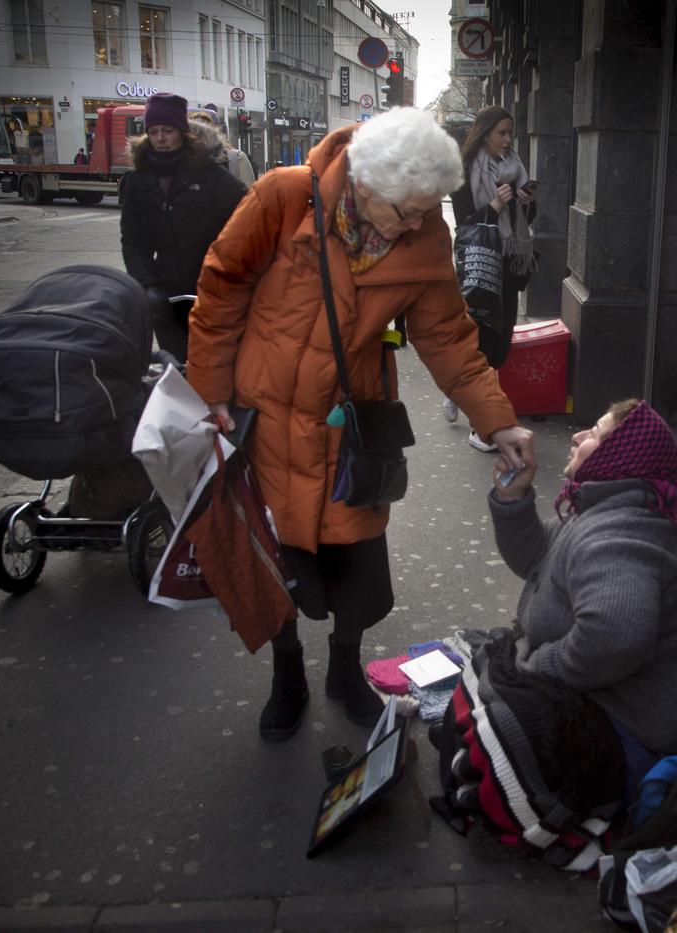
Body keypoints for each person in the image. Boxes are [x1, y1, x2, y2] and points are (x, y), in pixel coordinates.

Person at [185, 106, 536, 739]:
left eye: (427, 210)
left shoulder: (423, 227)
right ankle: (287, 670)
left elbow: (449, 337)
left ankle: (345, 669)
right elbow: (222, 286)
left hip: (354, 425)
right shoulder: (284, 197)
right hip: (267, 416)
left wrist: (498, 420)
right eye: (405, 210)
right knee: (278, 557)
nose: (416, 222)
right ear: (366, 181)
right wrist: (208, 390)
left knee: (357, 567)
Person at [430, 399, 677, 859]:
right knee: (488, 668)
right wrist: (513, 499)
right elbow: (538, 557)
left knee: (504, 708)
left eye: (596, 434)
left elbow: (616, 636)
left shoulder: (620, 533)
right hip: (613, 711)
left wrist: (536, 669)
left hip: (645, 739)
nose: (578, 436)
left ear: (619, 457)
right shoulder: (597, 513)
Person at [120, 93, 247, 361]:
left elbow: (245, 224)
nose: (160, 138)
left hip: (212, 289)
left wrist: (227, 275)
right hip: (166, 294)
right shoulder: (139, 180)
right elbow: (133, 239)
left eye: (167, 130)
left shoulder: (211, 176)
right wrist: (147, 284)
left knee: (213, 362)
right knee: (175, 364)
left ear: (182, 132)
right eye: (153, 132)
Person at [444, 106, 538, 452]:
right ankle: (480, 424)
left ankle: (458, 387)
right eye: (502, 133)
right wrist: (496, 206)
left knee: (500, 343)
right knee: (482, 340)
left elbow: (525, 219)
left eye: (511, 133)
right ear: (484, 133)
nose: (508, 140)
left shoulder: (514, 168)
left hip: (508, 262)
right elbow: (466, 222)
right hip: (479, 263)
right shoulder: (465, 170)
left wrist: (527, 202)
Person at [187, 110, 257, 186]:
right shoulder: (183, 161)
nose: (200, 136)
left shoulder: (237, 158)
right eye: (194, 131)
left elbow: (250, 193)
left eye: (206, 131)